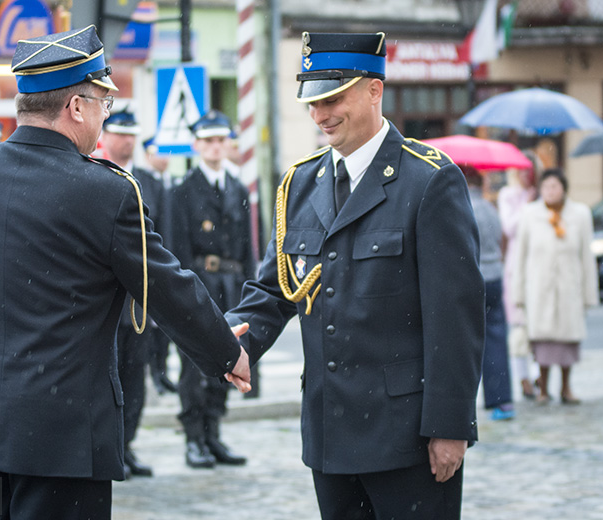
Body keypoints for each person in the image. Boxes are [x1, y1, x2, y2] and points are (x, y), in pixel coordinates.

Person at [0, 26, 250, 520]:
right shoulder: (106, 192)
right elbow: (166, 286)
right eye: (102, 103)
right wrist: (226, 351)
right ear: (76, 107)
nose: (104, 115)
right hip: (65, 440)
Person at [224, 32, 484, 519]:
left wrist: (450, 425)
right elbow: (275, 287)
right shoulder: (301, 183)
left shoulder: (428, 179)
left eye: (333, 98)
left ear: (373, 90)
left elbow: (456, 316)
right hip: (330, 429)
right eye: (312, 103)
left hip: (407, 434)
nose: (320, 115)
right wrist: (234, 340)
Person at [171, 109, 256, 469]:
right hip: (200, 286)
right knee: (194, 365)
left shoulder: (238, 188)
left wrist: (250, 292)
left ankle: (214, 434)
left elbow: (249, 248)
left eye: (221, 140)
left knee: (227, 357)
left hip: (232, 286)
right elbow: (175, 249)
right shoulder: (183, 191)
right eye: (208, 141)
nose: (215, 147)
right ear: (196, 145)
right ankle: (194, 438)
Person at [101, 108, 167, 478]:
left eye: (132, 134)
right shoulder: (94, 173)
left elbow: (164, 244)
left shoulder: (150, 183)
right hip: (107, 301)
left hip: (140, 303)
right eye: (120, 133)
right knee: (106, 379)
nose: (127, 141)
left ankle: (127, 445)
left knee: (134, 380)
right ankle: (109, 447)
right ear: (106, 136)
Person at [512, 169, 598, 405]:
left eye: (555, 186)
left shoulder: (579, 214)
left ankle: (566, 387)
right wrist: (518, 292)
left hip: (569, 287)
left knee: (568, 342)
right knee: (542, 344)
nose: (550, 191)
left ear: (564, 189)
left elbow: (586, 258)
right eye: (546, 186)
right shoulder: (530, 214)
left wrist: (589, 294)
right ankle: (543, 388)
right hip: (539, 289)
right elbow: (521, 256)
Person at [460, 164, 515, 421]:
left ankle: (463, 402)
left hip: (472, 277)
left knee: (464, 341)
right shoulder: (491, 209)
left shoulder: (462, 207)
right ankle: (501, 400)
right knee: (496, 338)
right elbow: (503, 240)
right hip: (495, 276)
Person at [498, 155, 540, 399]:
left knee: (538, 324)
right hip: (516, 265)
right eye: (523, 171)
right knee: (518, 325)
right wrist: (528, 204)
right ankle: (523, 377)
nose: (527, 176)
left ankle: (538, 375)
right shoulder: (509, 195)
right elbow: (510, 227)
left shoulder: (541, 193)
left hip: (538, 264)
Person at [141, 137, 179, 395]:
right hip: (150, 265)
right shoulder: (142, 180)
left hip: (169, 260)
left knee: (166, 327)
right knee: (151, 329)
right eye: (158, 153)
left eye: (166, 153)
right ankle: (154, 373)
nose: (163, 158)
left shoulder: (171, 183)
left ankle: (162, 373)